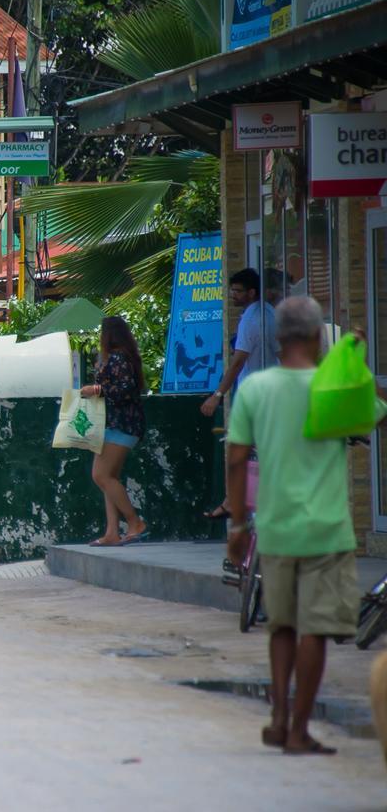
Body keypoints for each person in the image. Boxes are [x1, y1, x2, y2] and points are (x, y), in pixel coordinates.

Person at [226, 297, 387, 756]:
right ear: (318, 337)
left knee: (281, 626)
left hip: (275, 528)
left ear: (278, 338)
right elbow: (380, 412)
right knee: (313, 631)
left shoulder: (255, 389)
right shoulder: (333, 387)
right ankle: (298, 730)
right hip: (327, 529)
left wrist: (238, 527)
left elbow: (236, 460)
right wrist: (350, 363)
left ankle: (278, 719)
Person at [200, 267, 279, 519]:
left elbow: (237, 362)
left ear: (251, 292)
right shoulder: (269, 312)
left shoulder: (252, 320)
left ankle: (234, 501)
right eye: (232, 290)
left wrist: (217, 394)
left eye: (237, 291)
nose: (233, 295)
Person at [80, 316, 148, 547]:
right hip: (118, 424)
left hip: (122, 424)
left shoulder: (118, 357)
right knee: (109, 478)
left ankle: (134, 521)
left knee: (101, 475)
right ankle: (112, 532)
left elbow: (125, 388)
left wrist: (96, 389)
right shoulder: (125, 356)